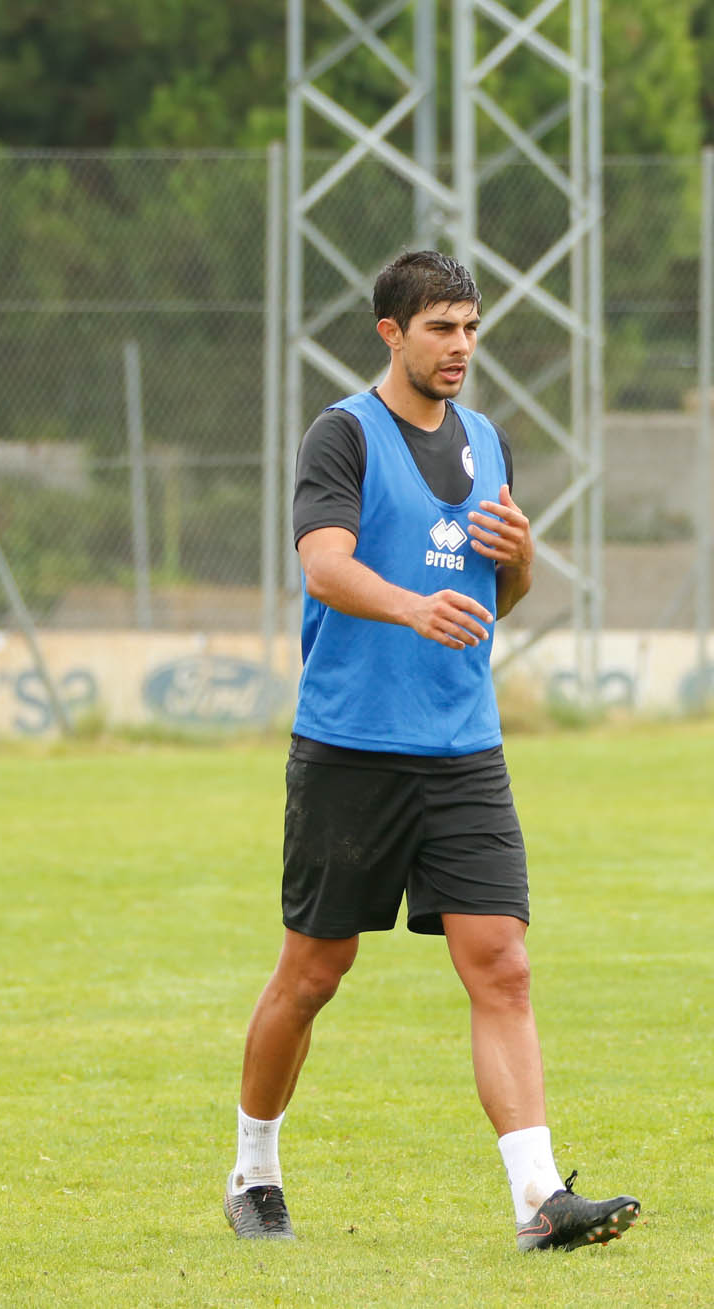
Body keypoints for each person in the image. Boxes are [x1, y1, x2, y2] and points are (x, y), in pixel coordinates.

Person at [223, 250, 640, 1251]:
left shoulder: (487, 439)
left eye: (470, 327)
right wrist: (411, 605)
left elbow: (499, 600)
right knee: (312, 974)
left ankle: (539, 1201)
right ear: (390, 334)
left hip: (463, 750)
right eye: (440, 329)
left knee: (500, 963)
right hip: (350, 750)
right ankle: (253, 1169)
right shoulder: (343, 437)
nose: (459, 348)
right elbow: (324, 569)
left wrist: (522, 557)